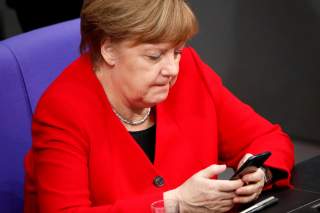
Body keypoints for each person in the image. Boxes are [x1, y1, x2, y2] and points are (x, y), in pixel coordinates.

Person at [24, 0, 294, 212]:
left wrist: (261, 172)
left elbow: (268, 138)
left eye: (177, 52)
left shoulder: (189, 70)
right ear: (108, 50)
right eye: (154, 56)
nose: (172, 69)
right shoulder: (62, 110)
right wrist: (174, 205)